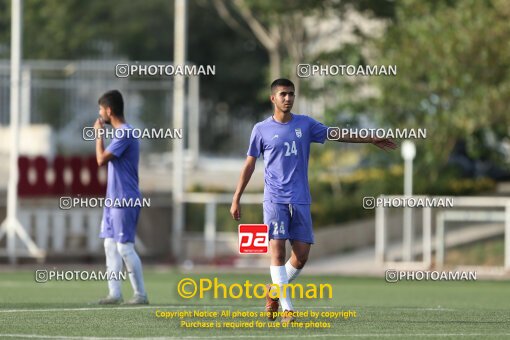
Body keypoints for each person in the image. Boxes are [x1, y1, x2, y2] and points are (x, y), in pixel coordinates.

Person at [230, 78, 395, 323]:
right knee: (277, 252)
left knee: (301, 256)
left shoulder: (305, 124)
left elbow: (336, 133)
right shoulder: (260, 129)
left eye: (291, 94)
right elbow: (249, 165)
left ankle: (273, 291)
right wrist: (236, 198)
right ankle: (288, 309)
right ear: (272, 98)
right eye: (283, 94)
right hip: (274, 199)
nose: (288, 98)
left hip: (300, 199)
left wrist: (370, 137)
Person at [93, 89, 148, 305]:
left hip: (125, 199)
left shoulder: (125, 133)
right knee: (109, 245)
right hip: (112, 199)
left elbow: (100, 159)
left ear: (109, 110)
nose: (99, 114)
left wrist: (98, 134)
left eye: (100, 109)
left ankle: (141, 295)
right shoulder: (119, 134)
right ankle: (114, 293)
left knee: (124, 247)